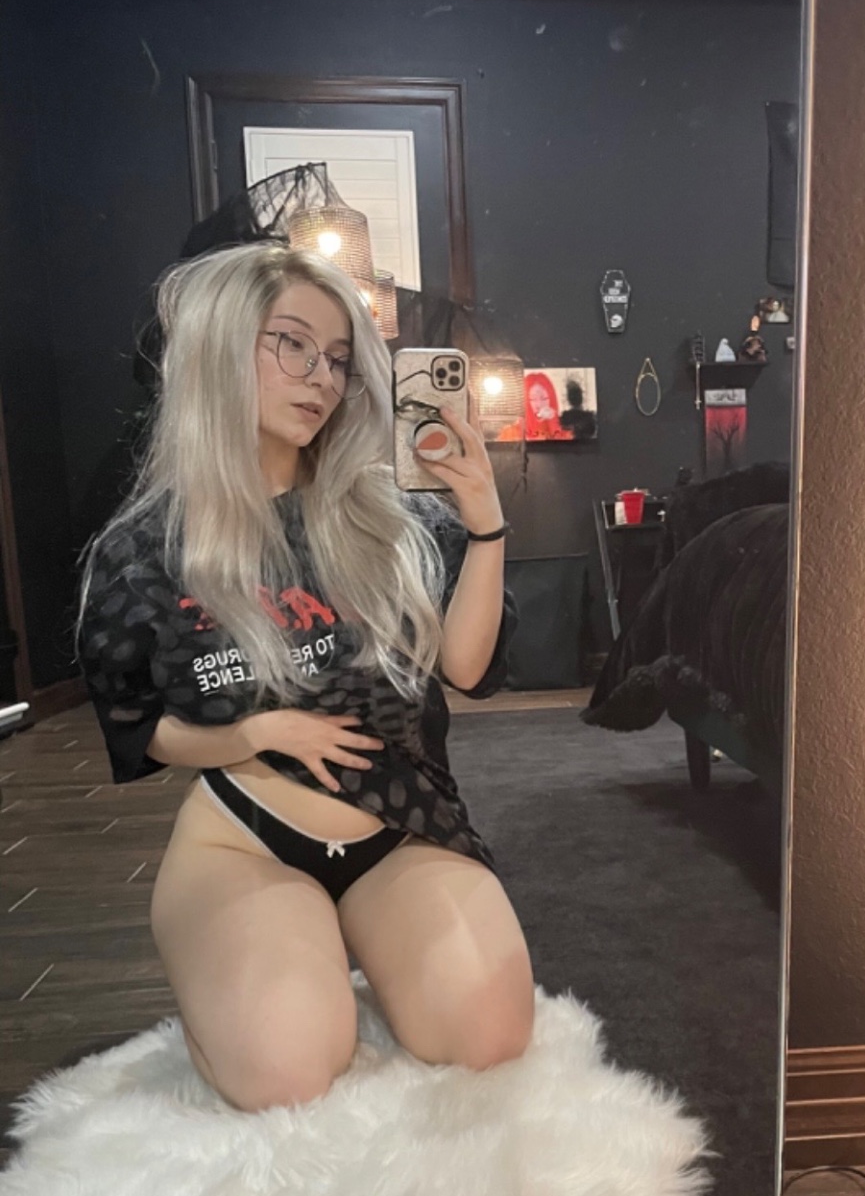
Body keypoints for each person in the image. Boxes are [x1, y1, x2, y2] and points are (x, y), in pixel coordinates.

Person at [74, 243, 533, 1115]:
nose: (320, 377)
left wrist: (484, 522)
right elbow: (139, 726)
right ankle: (254, 979)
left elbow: (467, 670)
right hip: (246, 837)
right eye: (291, 344)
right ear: (220, 345)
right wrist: (250, 733)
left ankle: (334, 952)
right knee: (285, 1074)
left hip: (401, 822)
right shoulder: (142, 553)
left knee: (490, 1038)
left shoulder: (396, 520)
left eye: (335, 358)